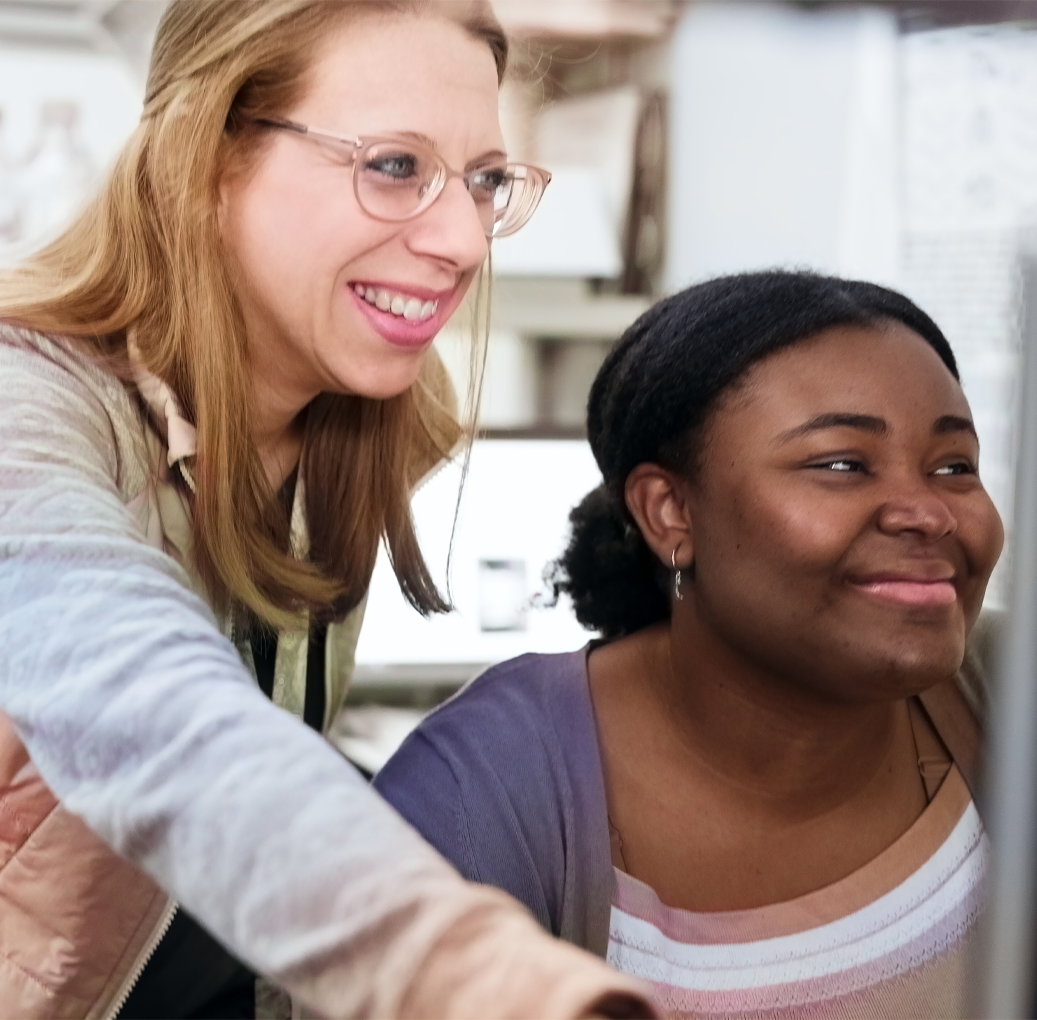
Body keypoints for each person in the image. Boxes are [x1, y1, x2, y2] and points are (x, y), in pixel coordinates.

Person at [0, 3, 654, 1018]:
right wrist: (487, 983)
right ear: (208, 160)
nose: (462, 239)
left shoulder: (359, 422)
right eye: (392, 166)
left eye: (484, 180)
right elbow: (158, 722)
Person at [377, 271, 1004, 1019]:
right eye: (842, 464)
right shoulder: (484, 794)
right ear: (671, 513)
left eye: (953, 467)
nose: (928, 512)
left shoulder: (1005, 693)